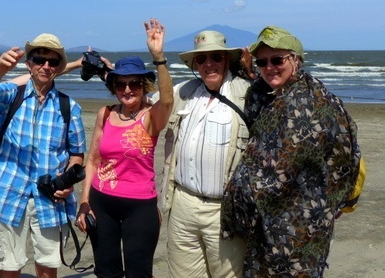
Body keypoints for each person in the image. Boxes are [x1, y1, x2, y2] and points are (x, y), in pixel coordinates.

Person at [221, 25, 362, 277]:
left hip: (299, 231)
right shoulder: (277, 96)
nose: (269, 67)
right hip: (268, 226)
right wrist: (247, 70)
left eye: (277, 59)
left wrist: (335, 202)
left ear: (296, 59)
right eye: (262, 62)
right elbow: (259, 102)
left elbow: (344, 157)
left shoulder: (313, 102)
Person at [0, 33, 87, 278]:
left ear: (58, 67)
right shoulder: (11, 95)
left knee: (48, 267)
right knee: (9, 267)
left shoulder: (70, 108)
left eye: (53, 62)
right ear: (29, 63)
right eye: (39, 59)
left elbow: (77, 154)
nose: (46, 66)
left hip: (50, 200)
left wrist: (67, 182)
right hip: (7, 192)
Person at [76, 18, 173, 278]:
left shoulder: (151, 117)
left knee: (138, 273)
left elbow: (167, 99)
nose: (128, 89)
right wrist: (84, 202)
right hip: (102, 202)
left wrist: (159, 56)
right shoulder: (105, 114)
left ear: (144, 86)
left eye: (135, 84)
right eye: (121, 84)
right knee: (106, 271)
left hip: (140, 207)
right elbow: (93, 160)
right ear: (114, 86)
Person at [154, 30, 249, 277]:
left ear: (227, 60)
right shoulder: (185, 92)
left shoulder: (247, 94)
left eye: (216, 56)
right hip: (183, 203)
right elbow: (149, 102)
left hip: (224, 210)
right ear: (195, 64)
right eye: (201, 59)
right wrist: (157, 58)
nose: (209, 64)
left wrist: (255, 72)